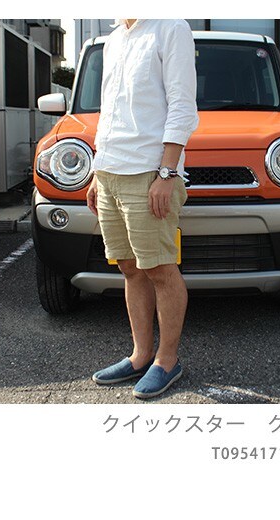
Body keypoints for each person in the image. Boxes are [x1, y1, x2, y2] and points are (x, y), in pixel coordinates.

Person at [86, 18, 199, 399]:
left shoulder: (170, 27)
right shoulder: (115, 38)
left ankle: (167, 360)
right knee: (129, 268)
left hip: (148, 171)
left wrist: (167, 173)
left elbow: (182, 105)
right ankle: (140, 355)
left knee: (159, 268)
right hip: (110, 172)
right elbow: (110, 110)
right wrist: (96, 172)